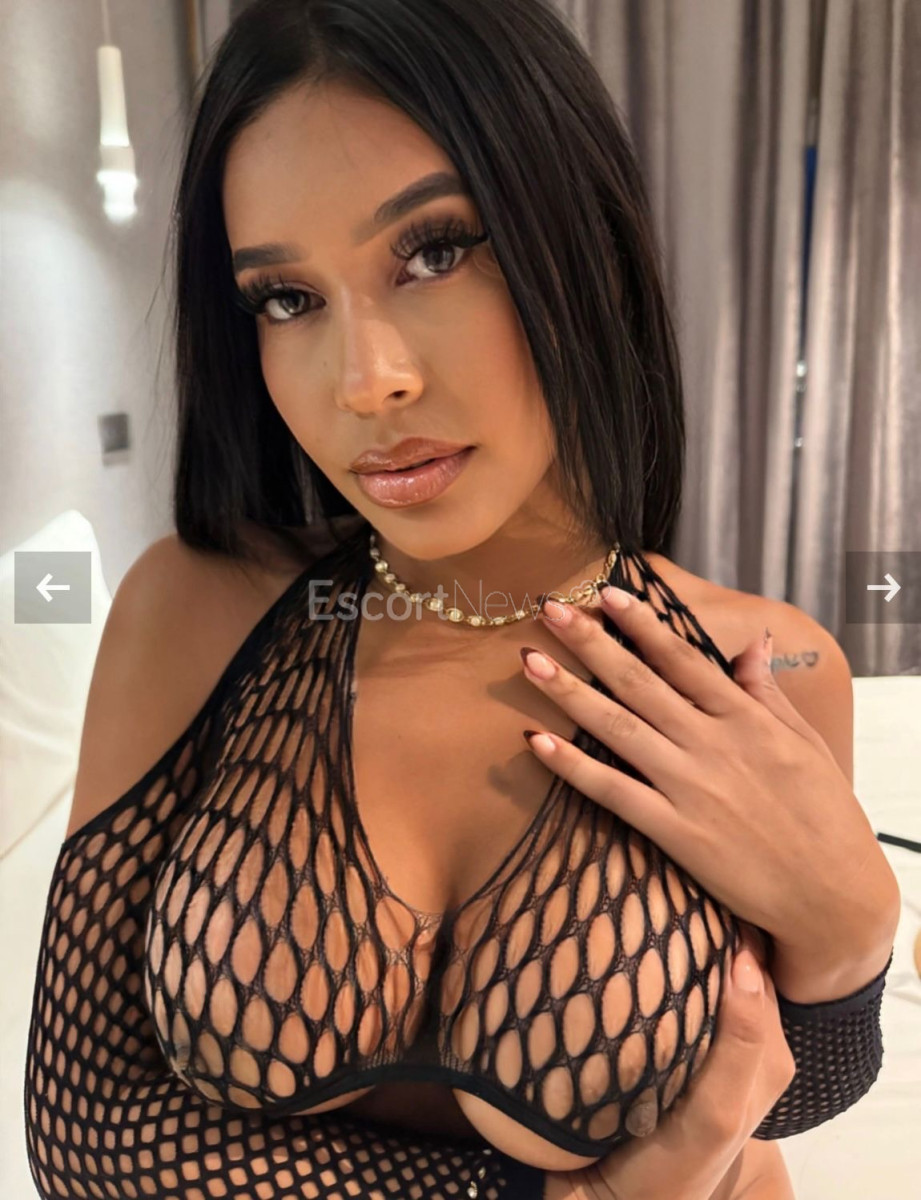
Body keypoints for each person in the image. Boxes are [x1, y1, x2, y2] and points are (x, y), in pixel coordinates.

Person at [24, 1, 899, 1197]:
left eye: (433, 251)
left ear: (582, 241)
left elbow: (767, 1093)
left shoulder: (766, 663)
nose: (365, 382)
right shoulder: (197, 608)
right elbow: (85, 1126)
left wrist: (853, 942)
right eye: (287, 298)